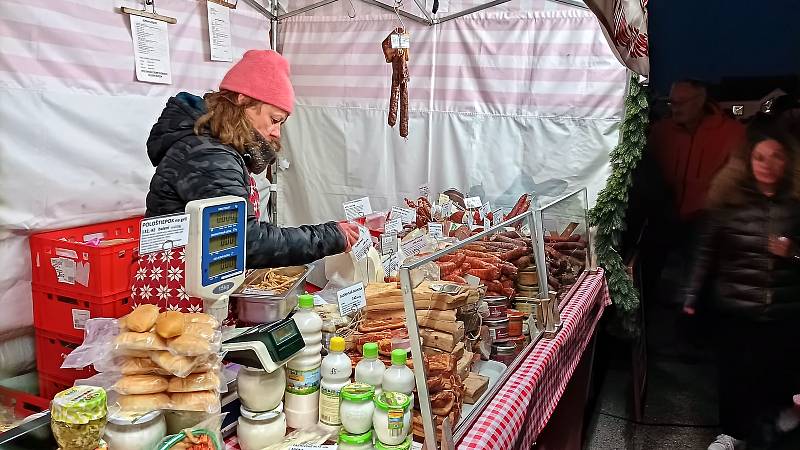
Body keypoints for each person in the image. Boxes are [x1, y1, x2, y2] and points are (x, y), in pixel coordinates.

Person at [145, 50, 361, 267]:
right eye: (274, 119)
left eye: (281, 124)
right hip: (183, 290)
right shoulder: (208, 154)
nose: (276, 132)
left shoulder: (218, 148)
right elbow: (245, 242)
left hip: (201, 283)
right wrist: (329, 236)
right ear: (243, 100)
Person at [682, 125, 800, 450]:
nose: (767, 163)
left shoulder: (795, 206)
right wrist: (691, 296)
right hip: (735, 309)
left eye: (776, 156)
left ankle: (771, 431)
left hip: (784, 311)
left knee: (775, 376)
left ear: (788, 161)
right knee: (734, 375)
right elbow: (705, 253)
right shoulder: (728, 202)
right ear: (748, 162)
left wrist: (792, 252)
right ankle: (732, 433)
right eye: (759, 157)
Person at [650, 79, 745, 226]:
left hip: (710, 223)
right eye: (671, 102)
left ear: (700, 101)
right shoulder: (660, 131)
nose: (675, 108)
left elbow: (738, 179)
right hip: (664, 221)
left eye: (681, 102)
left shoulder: (732, 132)